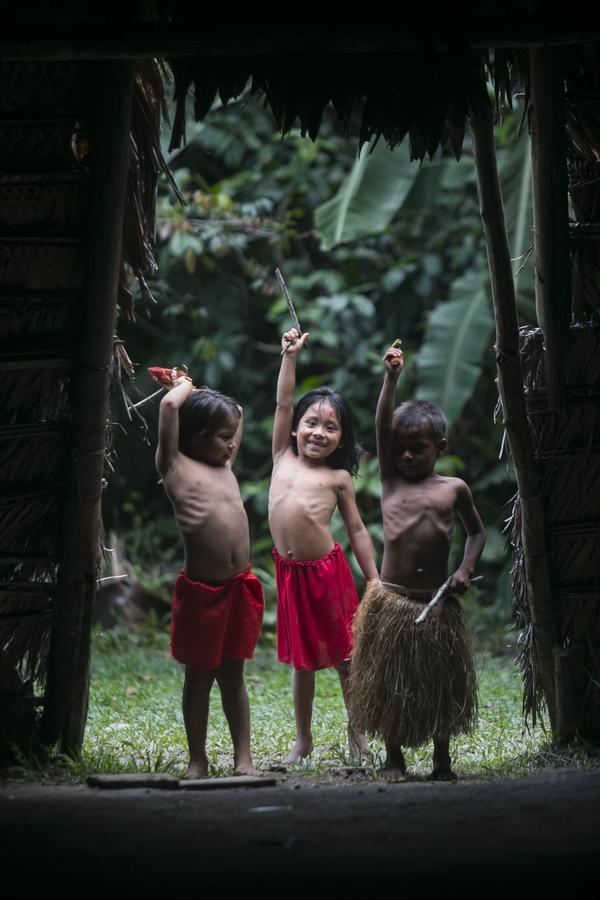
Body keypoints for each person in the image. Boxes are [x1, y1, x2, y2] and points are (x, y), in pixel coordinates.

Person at [348, 344, 485, 781]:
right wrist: (391, 377)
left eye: (418, 448)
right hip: (393, 602)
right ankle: (394, 758)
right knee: (390, 684)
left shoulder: (454, 489)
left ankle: (442, 760)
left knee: (440, 683)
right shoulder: (389, 481)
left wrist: (464, 569)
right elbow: (379, 425)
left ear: (439, 446)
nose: (407, 455)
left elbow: (477, 533)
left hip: (438, 602)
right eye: (401, 448)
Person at [268, 329, 379, 765]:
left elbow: (357, 531)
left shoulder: (339, 478)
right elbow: (281, 401)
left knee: (346, 660)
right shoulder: (282, 456)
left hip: (326, 575)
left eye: (330, 427)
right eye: (311, 423)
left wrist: (373, 580)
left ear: (342, 438)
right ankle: (303, 740)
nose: (318, 432)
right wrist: (290, 358)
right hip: (290, 575)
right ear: (294, 428)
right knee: (301, 663)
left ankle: (360, 735)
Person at [155, 370, 264, 779]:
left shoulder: (225, 463)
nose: (233, 442)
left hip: (239, 588)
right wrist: (183, 384)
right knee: (199, 679)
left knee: (233, 676)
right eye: (223, 436)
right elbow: (169, 406)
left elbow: (237, 411)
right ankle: (197, 759)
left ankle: (243, 759)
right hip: (203, 593)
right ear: (194, 436)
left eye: (232, 435)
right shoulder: (175, 467)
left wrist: (205, 397)